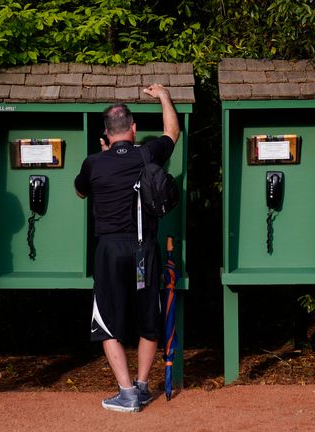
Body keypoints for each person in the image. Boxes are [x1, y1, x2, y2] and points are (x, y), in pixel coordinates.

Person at [74, 83, 179, 412]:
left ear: (106, 134)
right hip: (142, 251)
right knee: (149, 317)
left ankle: (126, 392)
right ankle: (143, 386)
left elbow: (80, 192)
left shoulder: (93, 163)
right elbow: (172, 131)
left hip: (109, 252)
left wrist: (103, 159)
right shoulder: (147, 153)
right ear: (133, 129)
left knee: (106, 320)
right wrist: (163, 95)